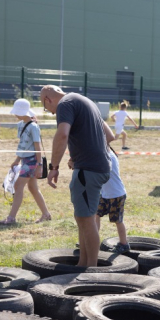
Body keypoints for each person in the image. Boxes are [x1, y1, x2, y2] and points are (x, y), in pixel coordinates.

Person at [41, 85, 115, 268]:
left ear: (48, 99)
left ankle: (91, 270)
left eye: (45, 108)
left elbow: (62, 135)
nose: (50, 113)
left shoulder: (65, 105)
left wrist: (54, 167)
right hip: (98, 167)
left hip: (88, 171)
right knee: (83, 217)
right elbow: (109, 135)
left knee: (86, 220)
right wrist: (79, 155)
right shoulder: (85, 101)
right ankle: (83, 265)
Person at [0, 99, 51, 225]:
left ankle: (11, 218)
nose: (15, 114)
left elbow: (37, 148)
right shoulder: (20, 125)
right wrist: (17, 160)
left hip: (32, 162)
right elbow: (22, 145)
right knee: (33, 188)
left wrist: (39, 165)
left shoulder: (34, 127)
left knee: (18, 186)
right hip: (26, 160)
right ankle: (46, 214)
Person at [95, 147, 130, 254]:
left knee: (117, 220)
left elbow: (101, 171)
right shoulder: (104, 155)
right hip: (105, 194)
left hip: (116, 195)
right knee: (95, 215)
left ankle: (124, 244)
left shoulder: (109, 157)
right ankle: (93, 240)